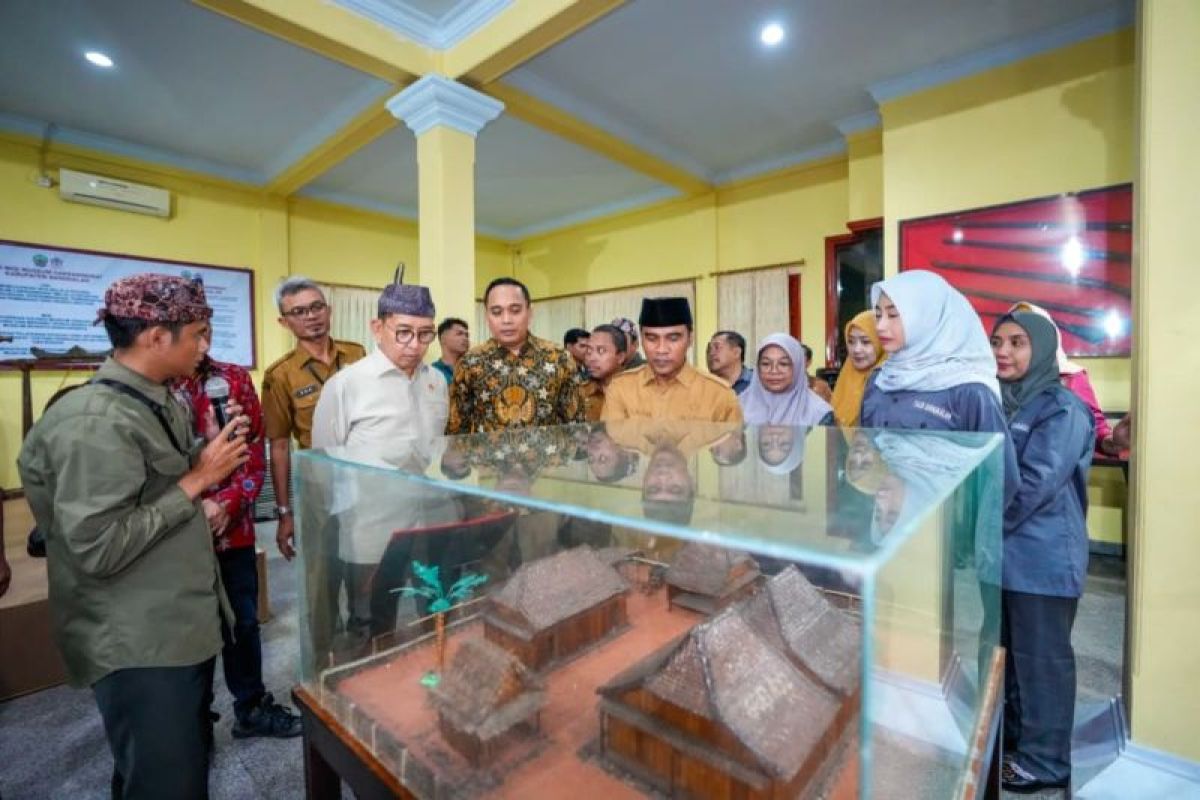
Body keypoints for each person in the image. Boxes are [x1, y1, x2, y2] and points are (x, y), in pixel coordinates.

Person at [18, 274, 250, 800]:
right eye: (198, 333)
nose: (206, 346)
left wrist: (204, 450)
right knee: (167, 781)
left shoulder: (153, 399)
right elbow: (97, 546)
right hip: (139, 643)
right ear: (156, 337)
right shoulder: (94, 420)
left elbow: (152, 484)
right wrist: (198, 479)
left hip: (175, 622)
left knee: (164, 768)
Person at [312, 280, 459, 645]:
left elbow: (435, 448)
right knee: (373, 621)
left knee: (436, 609)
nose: (415, 345)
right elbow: (322, 464)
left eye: (425, 334)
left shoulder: (436, 381)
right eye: (403, 332)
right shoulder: (346, 385)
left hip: (425, 519)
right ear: (377, 328)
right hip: (370, 527)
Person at [171, 330, 301, 739]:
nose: (204, 344)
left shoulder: (231, 378)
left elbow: (254, 449)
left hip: (234, 529)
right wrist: (196, 506)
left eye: (207, 332)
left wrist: (227, 504)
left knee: (243, 624)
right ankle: (192, 722)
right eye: (194, 334)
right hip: (174, 534)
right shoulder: (152, 387)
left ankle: (252, 707)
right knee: (187, 631)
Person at [991, 311, 1094, 794]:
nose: (1004, 352)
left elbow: (1034, 484)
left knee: (1042, 664)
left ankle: (1047, 763)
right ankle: (1018, 746)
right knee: (1012, 661)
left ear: (1043, 349)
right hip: (1007, 559)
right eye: (997, 342)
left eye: (1017, 342)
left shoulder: (1062, 408)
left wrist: (978, 528)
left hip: (1044, 560)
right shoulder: (1003, 401)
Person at [261, 277, 366, 560]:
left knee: (365, 566)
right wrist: (284, 513)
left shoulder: (357, 354)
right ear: (284, 322)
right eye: (299, 311)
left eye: (317, 307)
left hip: (364, 479)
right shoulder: (280, 375)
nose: (311, 316)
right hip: (319, 486)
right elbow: (279, 446)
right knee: (322, 571)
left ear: (328, 310)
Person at [447, 277, 584, 433]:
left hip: (547, 449)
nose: (506, 320)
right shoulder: (470, 362)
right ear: (487, 316)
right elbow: (456, 429)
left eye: (515, 310)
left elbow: (576, 425)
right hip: (489, 450)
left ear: (529, 312)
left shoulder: (559, 358)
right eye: (497, 312)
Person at [603, 298, 742, 423]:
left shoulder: (719, 395)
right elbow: (612, 441)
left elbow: (731, 444)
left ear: (690, 338)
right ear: (642, 340)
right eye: (651, 338)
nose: (661, 349)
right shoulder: (621, 388)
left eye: (673, 338)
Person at [1008, 301, 1119, 456]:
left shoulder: (1071, 376)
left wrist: (1110, 442)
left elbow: (1094, 426)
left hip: (1056, 465)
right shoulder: (1000, 378)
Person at [740, 333, 833, 426]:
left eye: (783, 364)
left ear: (798, 367)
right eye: (766, 364)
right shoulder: (738, 405)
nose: (774, 371)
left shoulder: (820, 413)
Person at [829, 310, 886, 428]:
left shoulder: (890, 383)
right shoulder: (846, 375)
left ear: (881, 343)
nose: (856, 349)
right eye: (851, 342)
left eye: (865, 342)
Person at [580, 323, 628, 421]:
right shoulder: (580, 393)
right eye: (589, 350)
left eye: (601, 351)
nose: (591, 358)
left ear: (620, 357)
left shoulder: (637, 392)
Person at [432, 316, 470, 385]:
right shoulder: (432, 372)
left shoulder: (474, 370)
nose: (465, 338)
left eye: (467, 335)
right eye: (459, 334)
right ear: (443, 338)